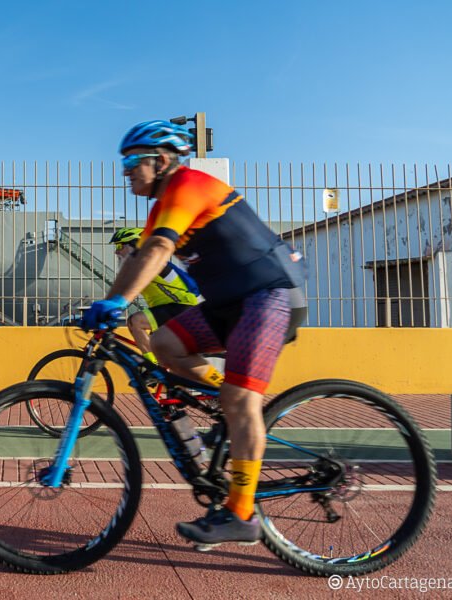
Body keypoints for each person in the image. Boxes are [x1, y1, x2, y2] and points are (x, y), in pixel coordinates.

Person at [82, 120, 307, 548]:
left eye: (132, 161)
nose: (125, 171)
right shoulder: (161, 205)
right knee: (164, 344)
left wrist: (115, 304)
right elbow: (139, 260)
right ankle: (227, 407)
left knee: (241, 401)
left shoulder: (189, 185)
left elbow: (159, 249)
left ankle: (241, 515)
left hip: (270, 294)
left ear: (161, 160)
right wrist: (109, 302)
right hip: (229, 303)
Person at [108, 227, 203, 371]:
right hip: (167, 309)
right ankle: (174, 386)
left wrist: (112, 307)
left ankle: (152, 366)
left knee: (136, 322)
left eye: (120, 246)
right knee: (165, 357)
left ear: (135, 244)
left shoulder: (152, 263)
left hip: (180, 306)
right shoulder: (137, 265)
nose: (116, 251)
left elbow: (128, 290)